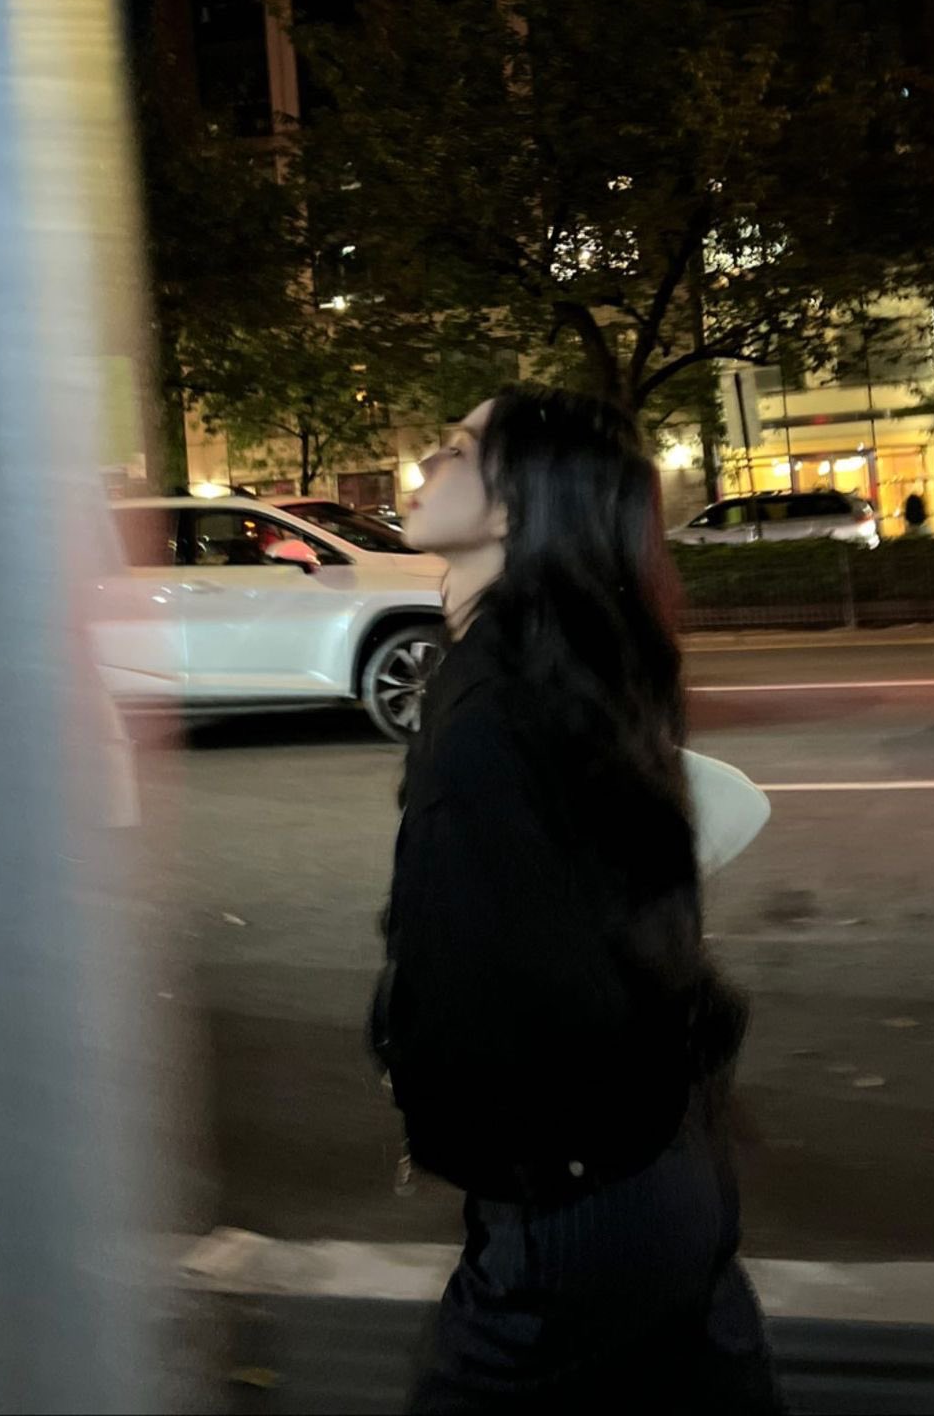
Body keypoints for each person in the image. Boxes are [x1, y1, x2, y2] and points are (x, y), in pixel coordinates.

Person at [371, 387, 783, 1413]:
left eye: (457, 447)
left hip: (574, 1209)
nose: (426, 465)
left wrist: (460, 1133)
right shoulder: (574, 665)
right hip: (664, 1164)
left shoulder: (492, 707)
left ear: (515, 501)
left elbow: (486, 969)